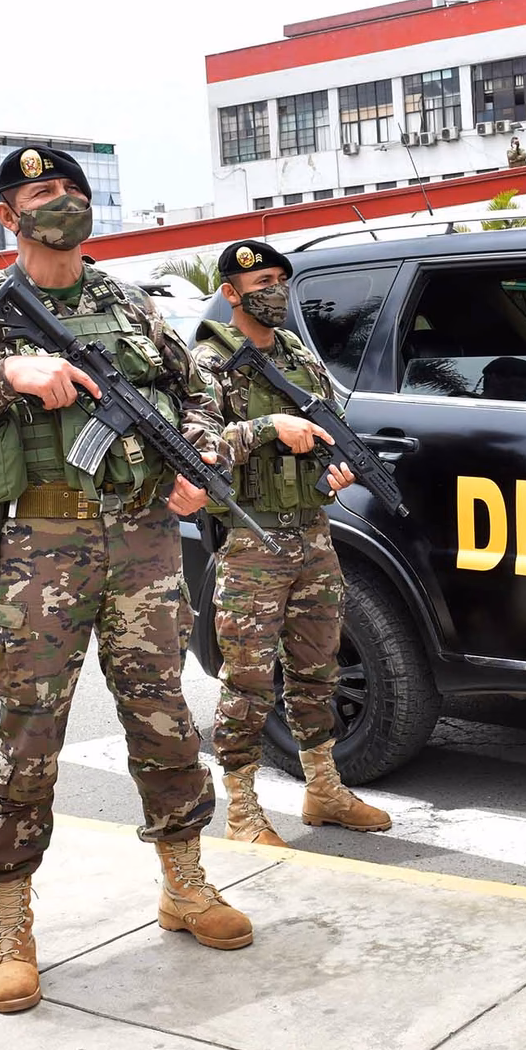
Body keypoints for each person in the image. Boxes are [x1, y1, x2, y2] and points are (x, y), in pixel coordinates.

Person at [0, 146, 252, 1015]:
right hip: (38, 544)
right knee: (27, 732)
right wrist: (1, 377)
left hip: (141, 539)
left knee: (162, 713)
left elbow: (198, 393)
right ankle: (9, 921)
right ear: (7, 216)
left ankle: (185, 880)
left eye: (75, 192)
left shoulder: (127, 304)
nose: (65, 205)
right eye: (43, 194)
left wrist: (192, 460)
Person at [189, 240, 392, 846]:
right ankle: (244, 810)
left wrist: (337, 468)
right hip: (251, 540)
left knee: (317, 669)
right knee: (248, 679)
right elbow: (196, 448)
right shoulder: (207, 361)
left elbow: (329, 425)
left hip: (311, 533)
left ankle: (323, 788)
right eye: (261, 283)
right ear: (232, 292)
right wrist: (268, 427)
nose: (275, 290)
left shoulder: (298, 354)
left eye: (281, 278)